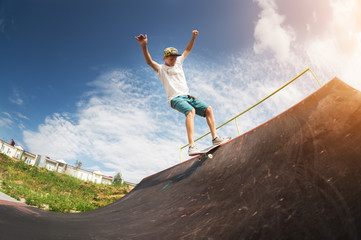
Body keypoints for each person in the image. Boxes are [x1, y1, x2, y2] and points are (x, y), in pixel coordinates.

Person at [135, 30, 229, 155]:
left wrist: (193, 37)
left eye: (175, 58)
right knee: (191, 111)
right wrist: (144, 46)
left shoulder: (179, 62)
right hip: (175, 98)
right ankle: (191, 146)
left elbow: (187, 49)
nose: (174, 60)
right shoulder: (161, 69)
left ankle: (215, 138)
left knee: (208, 109)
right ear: (165, 58)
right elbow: (149, 61)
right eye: (171, 58)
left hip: (188, 97)